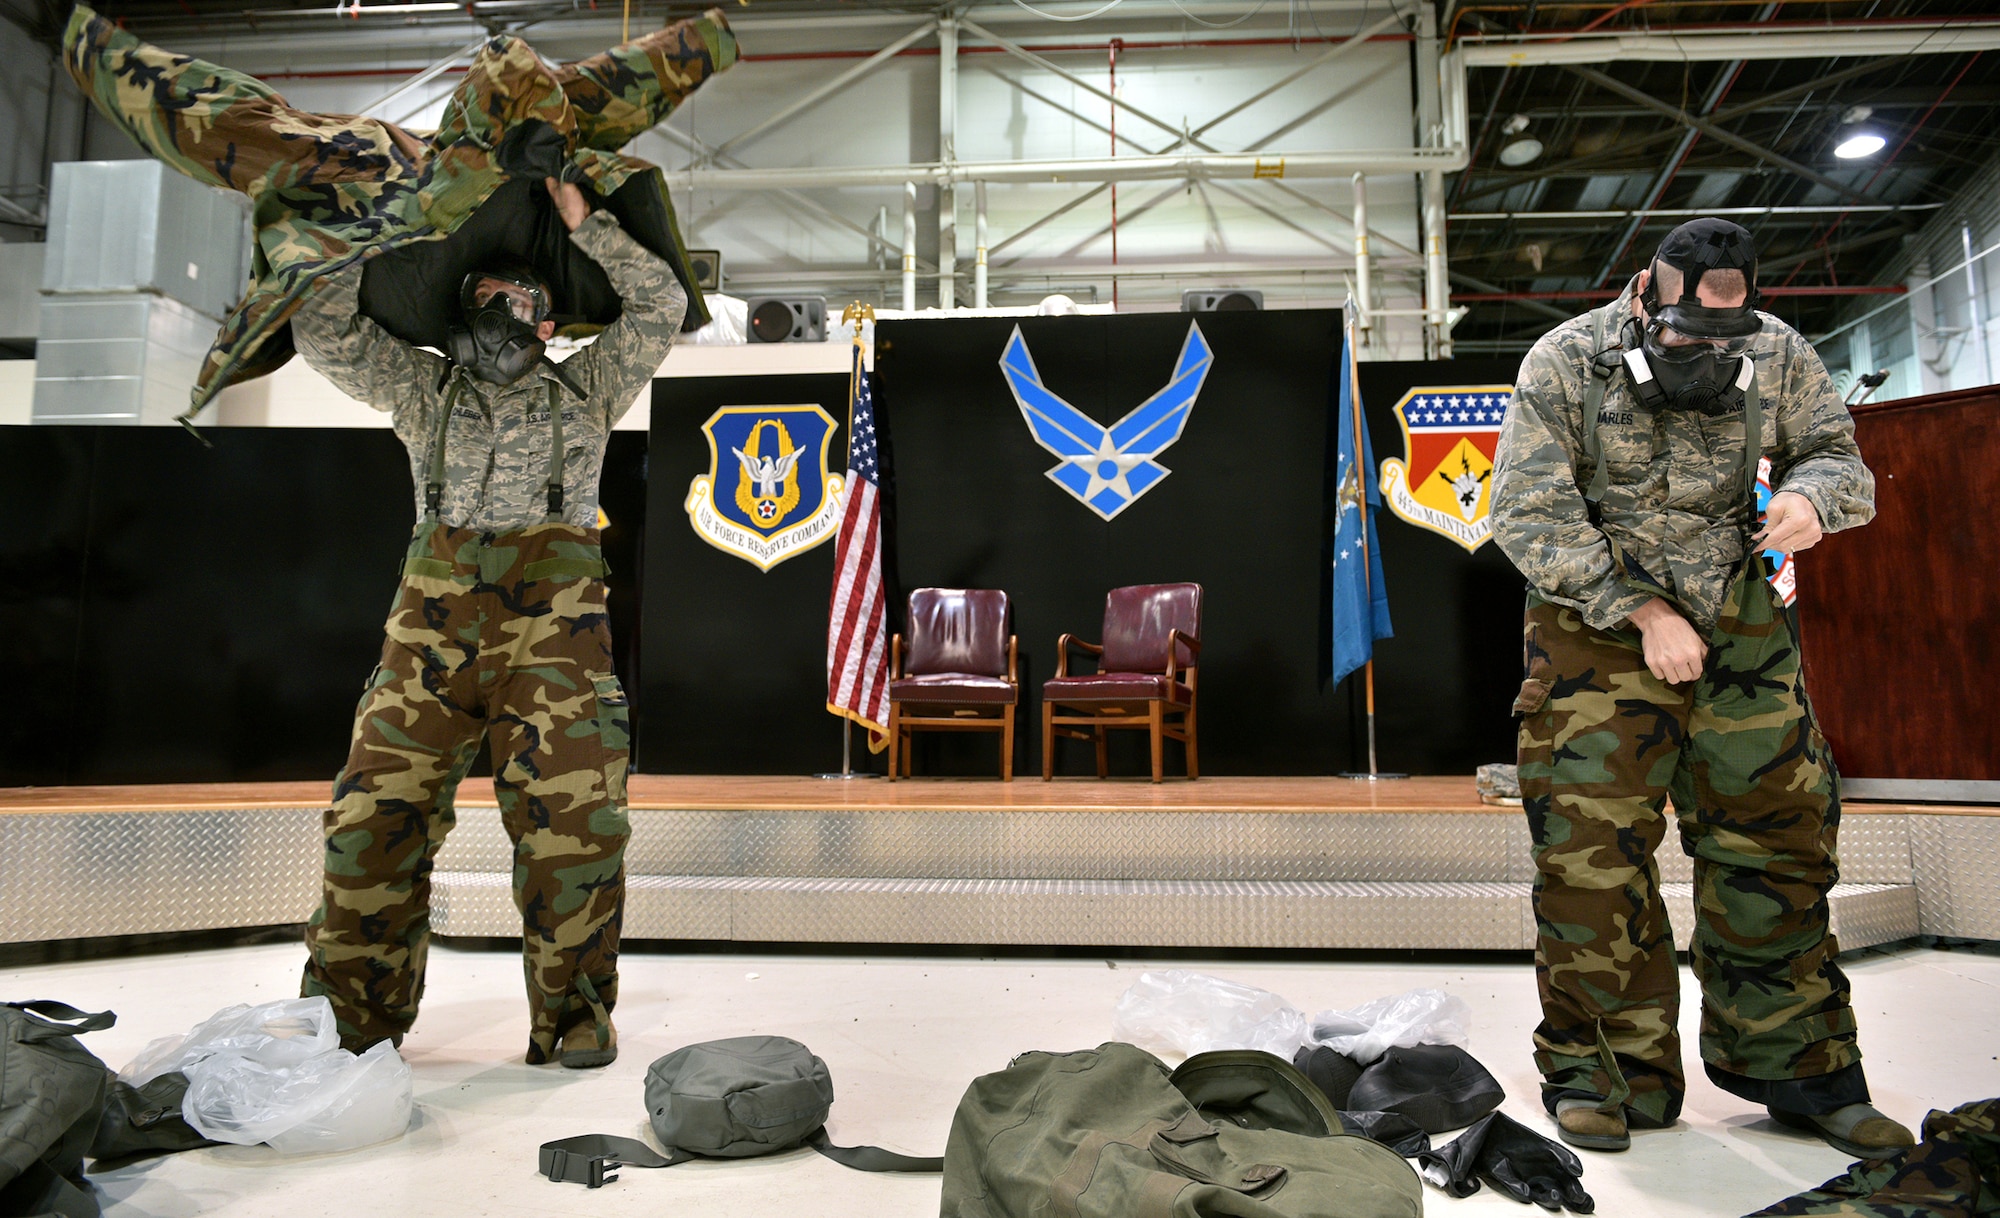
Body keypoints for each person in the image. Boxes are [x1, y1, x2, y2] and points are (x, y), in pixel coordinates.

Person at [1490, 218, 1912, 1159]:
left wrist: (1812, 500)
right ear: (1648, 291)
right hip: (1598, 636)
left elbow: (1839, 457)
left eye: (1724, 336)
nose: (1706, 350)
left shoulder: (1777, 350)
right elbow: (1525, 511)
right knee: (1591, 861)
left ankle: (1801, 1070)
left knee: (1779, 847)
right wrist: (1641, 610)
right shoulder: (1569, 360)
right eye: (1686, 332)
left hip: (1744, 624)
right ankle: (1604, 1072)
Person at [291, 176, 685, 1068]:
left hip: (556, 632)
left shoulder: (586, 391)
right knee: (370, 819)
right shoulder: (422, 391)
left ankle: (574, 1015)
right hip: (429, 630)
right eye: (483, 302)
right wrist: (359, 228)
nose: (499, 315)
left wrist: (593, 230)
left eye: (518, 304)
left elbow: (659, 306)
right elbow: (321, 331)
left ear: (548, 324)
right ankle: (353, 1021)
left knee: (574, 830)